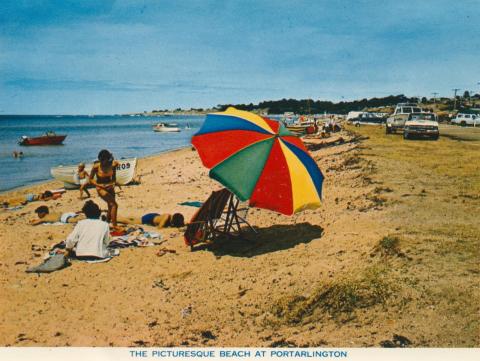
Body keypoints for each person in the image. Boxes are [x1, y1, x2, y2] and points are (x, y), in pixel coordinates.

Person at [89, 149, 119, 227]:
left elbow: (114, 178)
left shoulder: (113, 165)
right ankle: (115, 226)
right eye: (101, 160)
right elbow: (90, 179)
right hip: (100, 187)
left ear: (107, 158)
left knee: (110, 205)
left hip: (110, 187)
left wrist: (112, 183)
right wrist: (99, 185)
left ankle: (107, 222)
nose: (102, 162)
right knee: (114, 205)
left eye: (104, 160)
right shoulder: (96, 167)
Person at [117, 212, 185, 228]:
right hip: (150, 219)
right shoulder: (166, 217)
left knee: (136, 219)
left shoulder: (171, 217)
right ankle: (116, 219)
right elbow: (160, 227)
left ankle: (118, 216)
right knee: (131, 222)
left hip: (154, 216)